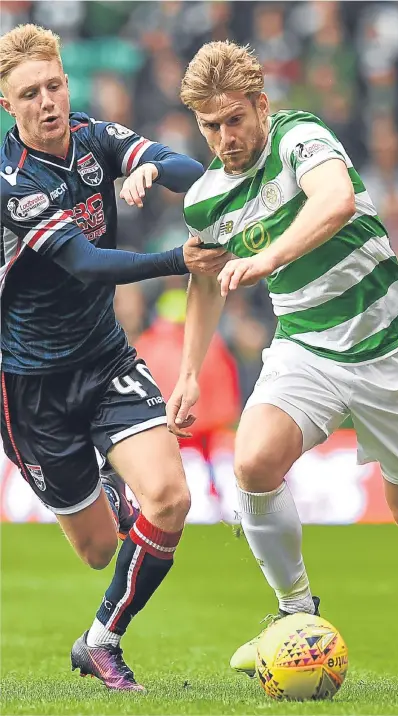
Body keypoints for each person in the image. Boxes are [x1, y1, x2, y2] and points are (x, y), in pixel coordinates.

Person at [167, 40, 398, 690]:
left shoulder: (299, 137)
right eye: (209, 126)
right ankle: (294, 616)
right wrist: (191, 370)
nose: (224, 137)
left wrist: (268, 258)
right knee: (252, 462)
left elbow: (333, 201)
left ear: (260, 104)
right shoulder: (205, 200)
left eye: (233, 120)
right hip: (306, 347)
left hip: (392, 350)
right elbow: (202, 281)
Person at [0, 24, 228, 692]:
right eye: (28, 94)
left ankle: (101, 640)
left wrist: (157, 167)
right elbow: (87, 264)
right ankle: (103, 477)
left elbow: (194, 173)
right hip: (30, 388)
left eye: (54, 86)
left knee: (169, 497)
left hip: (104, 359)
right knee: (99, 548)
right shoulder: (13, 185)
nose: (46, 103)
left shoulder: (97, 137)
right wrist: (175, 261)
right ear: (6, 105)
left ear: (67, 82)